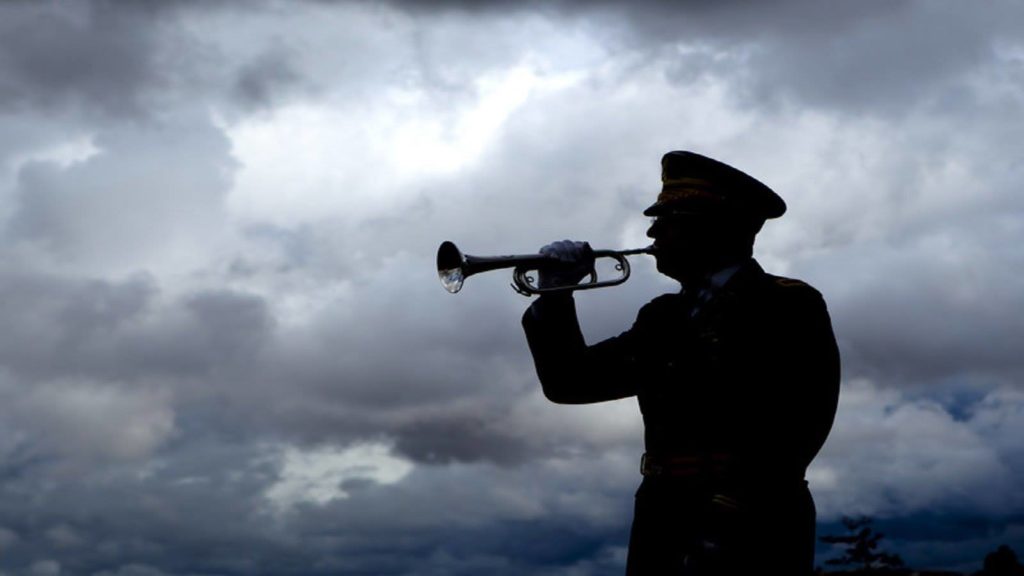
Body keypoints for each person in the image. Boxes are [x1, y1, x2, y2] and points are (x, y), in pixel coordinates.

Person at [521, 151, 841, 575]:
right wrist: (556, 295)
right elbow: (570, 383)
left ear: (710, 227)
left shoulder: (787, 303)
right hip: (663, 511)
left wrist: (730, 514)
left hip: (754, 519)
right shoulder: (662, 316)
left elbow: (802, 420)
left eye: (667, 219)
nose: (652, 231)